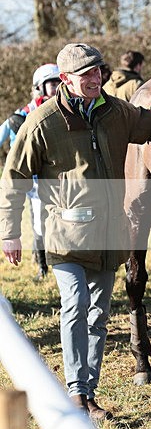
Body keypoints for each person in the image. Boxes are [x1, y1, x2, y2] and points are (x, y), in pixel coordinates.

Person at [0, 43, 151, 421]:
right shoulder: (42, 121)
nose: (93, 78)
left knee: (99, 317)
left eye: (97, 71)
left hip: (108, 235)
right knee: (76, 307)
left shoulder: (116, 112)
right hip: (65, 237)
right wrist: (10, 232)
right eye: (85, 74)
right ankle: (75, 392)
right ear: (66, 79)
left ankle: (88, 392)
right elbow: (15, 177)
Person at [0, 63, 61, 279]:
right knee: (39, 224)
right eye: (52, 83)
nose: (57, 87)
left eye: (60, 82)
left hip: (60, 178)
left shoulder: (67, 109)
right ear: (39, 87)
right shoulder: (22, 115)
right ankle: (42, 266)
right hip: (34, 182)